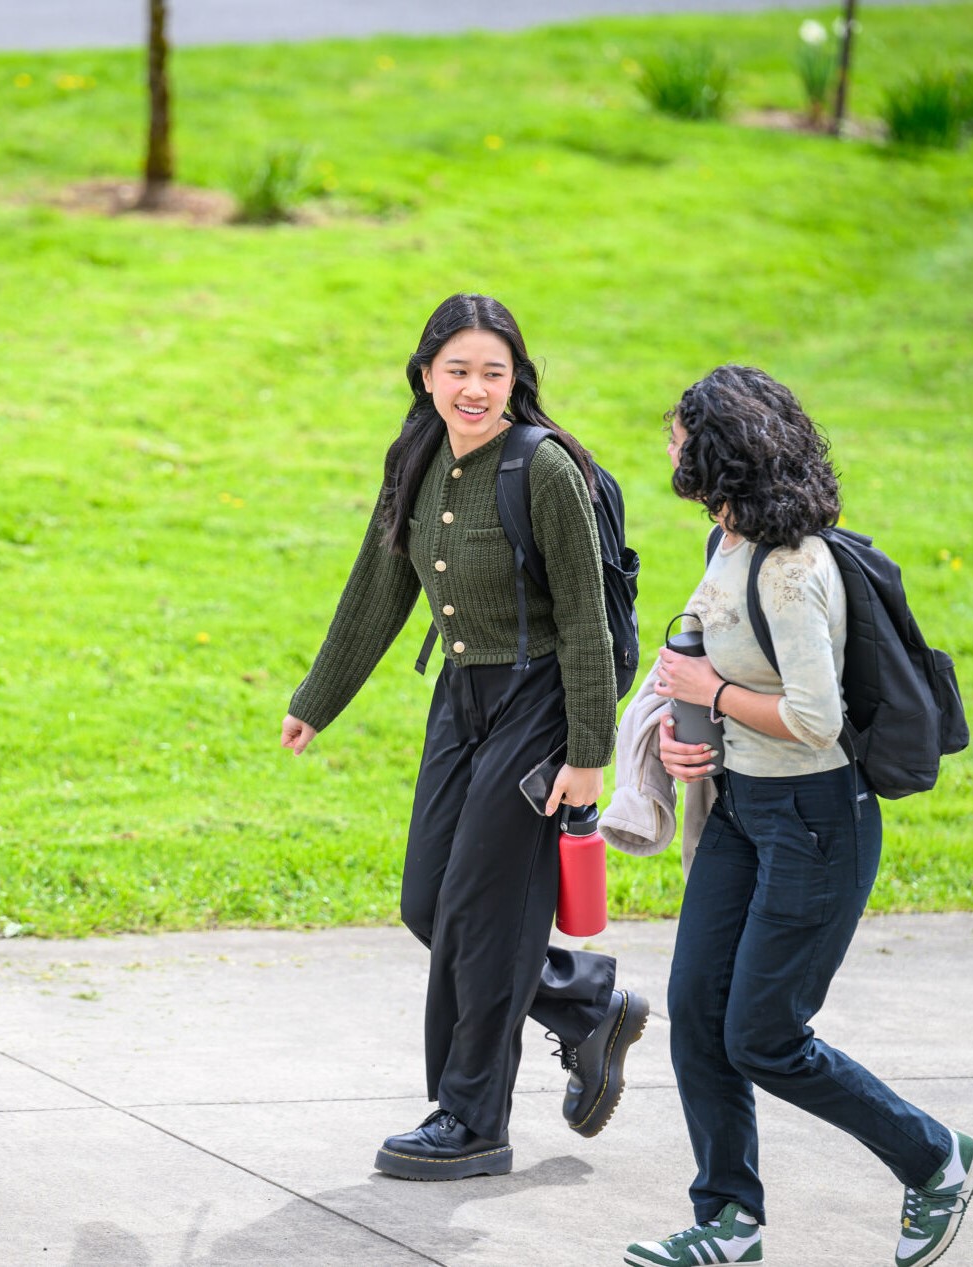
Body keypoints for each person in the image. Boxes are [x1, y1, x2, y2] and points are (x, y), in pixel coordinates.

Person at [279, 293, 648, 1181]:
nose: (476, 388)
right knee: (427, 902)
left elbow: (588, 623)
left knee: (482, 916)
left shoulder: (544, 468)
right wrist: (316, 699)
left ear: (517, 377)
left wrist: (588, 752)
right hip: (461, 694)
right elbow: (378, 585)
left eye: (494, 371)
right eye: (458, 371)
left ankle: (471, 1119)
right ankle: (577, 1000)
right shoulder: (415, 454)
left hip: (543, 700)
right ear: (426, 375)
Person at [627, 364, 973, 1267]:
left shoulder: (789, 569)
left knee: (764, 1034)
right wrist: (685, 736)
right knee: (695, 1007)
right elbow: (723, 679)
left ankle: (935, 1158)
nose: (668, 445)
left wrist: (711, 687)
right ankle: (728, 1220)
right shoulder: (729, 541)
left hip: (817, 819)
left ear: (718, 455)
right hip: (745, 805)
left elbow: (815, 719)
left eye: (679, 435)